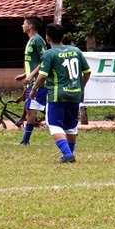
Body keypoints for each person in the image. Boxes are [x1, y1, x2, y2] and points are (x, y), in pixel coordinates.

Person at [30, 23, 91, 163]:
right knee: (70, 126)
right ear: (63, 36)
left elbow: (42, 76)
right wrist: (81, 86)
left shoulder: (49, 54)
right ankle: (69, 154)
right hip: (75, 94)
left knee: (54, 125)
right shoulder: (76, 51)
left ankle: (68, 155)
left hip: (58, 94)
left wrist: (34, 89)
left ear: (47, 38)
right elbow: (87, 72)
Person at [14, 17, 47, 145]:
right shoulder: (31, 40)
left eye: (24, 23)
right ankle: (25, 140)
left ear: (31, 25)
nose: (22, 25)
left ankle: (25, 140)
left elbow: (44, 60)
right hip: (32, 80)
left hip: (38, 81)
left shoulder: (38, 40)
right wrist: (24, 74)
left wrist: (31, 75)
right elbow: (33, 62)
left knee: (31, 109)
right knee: (30, 108)